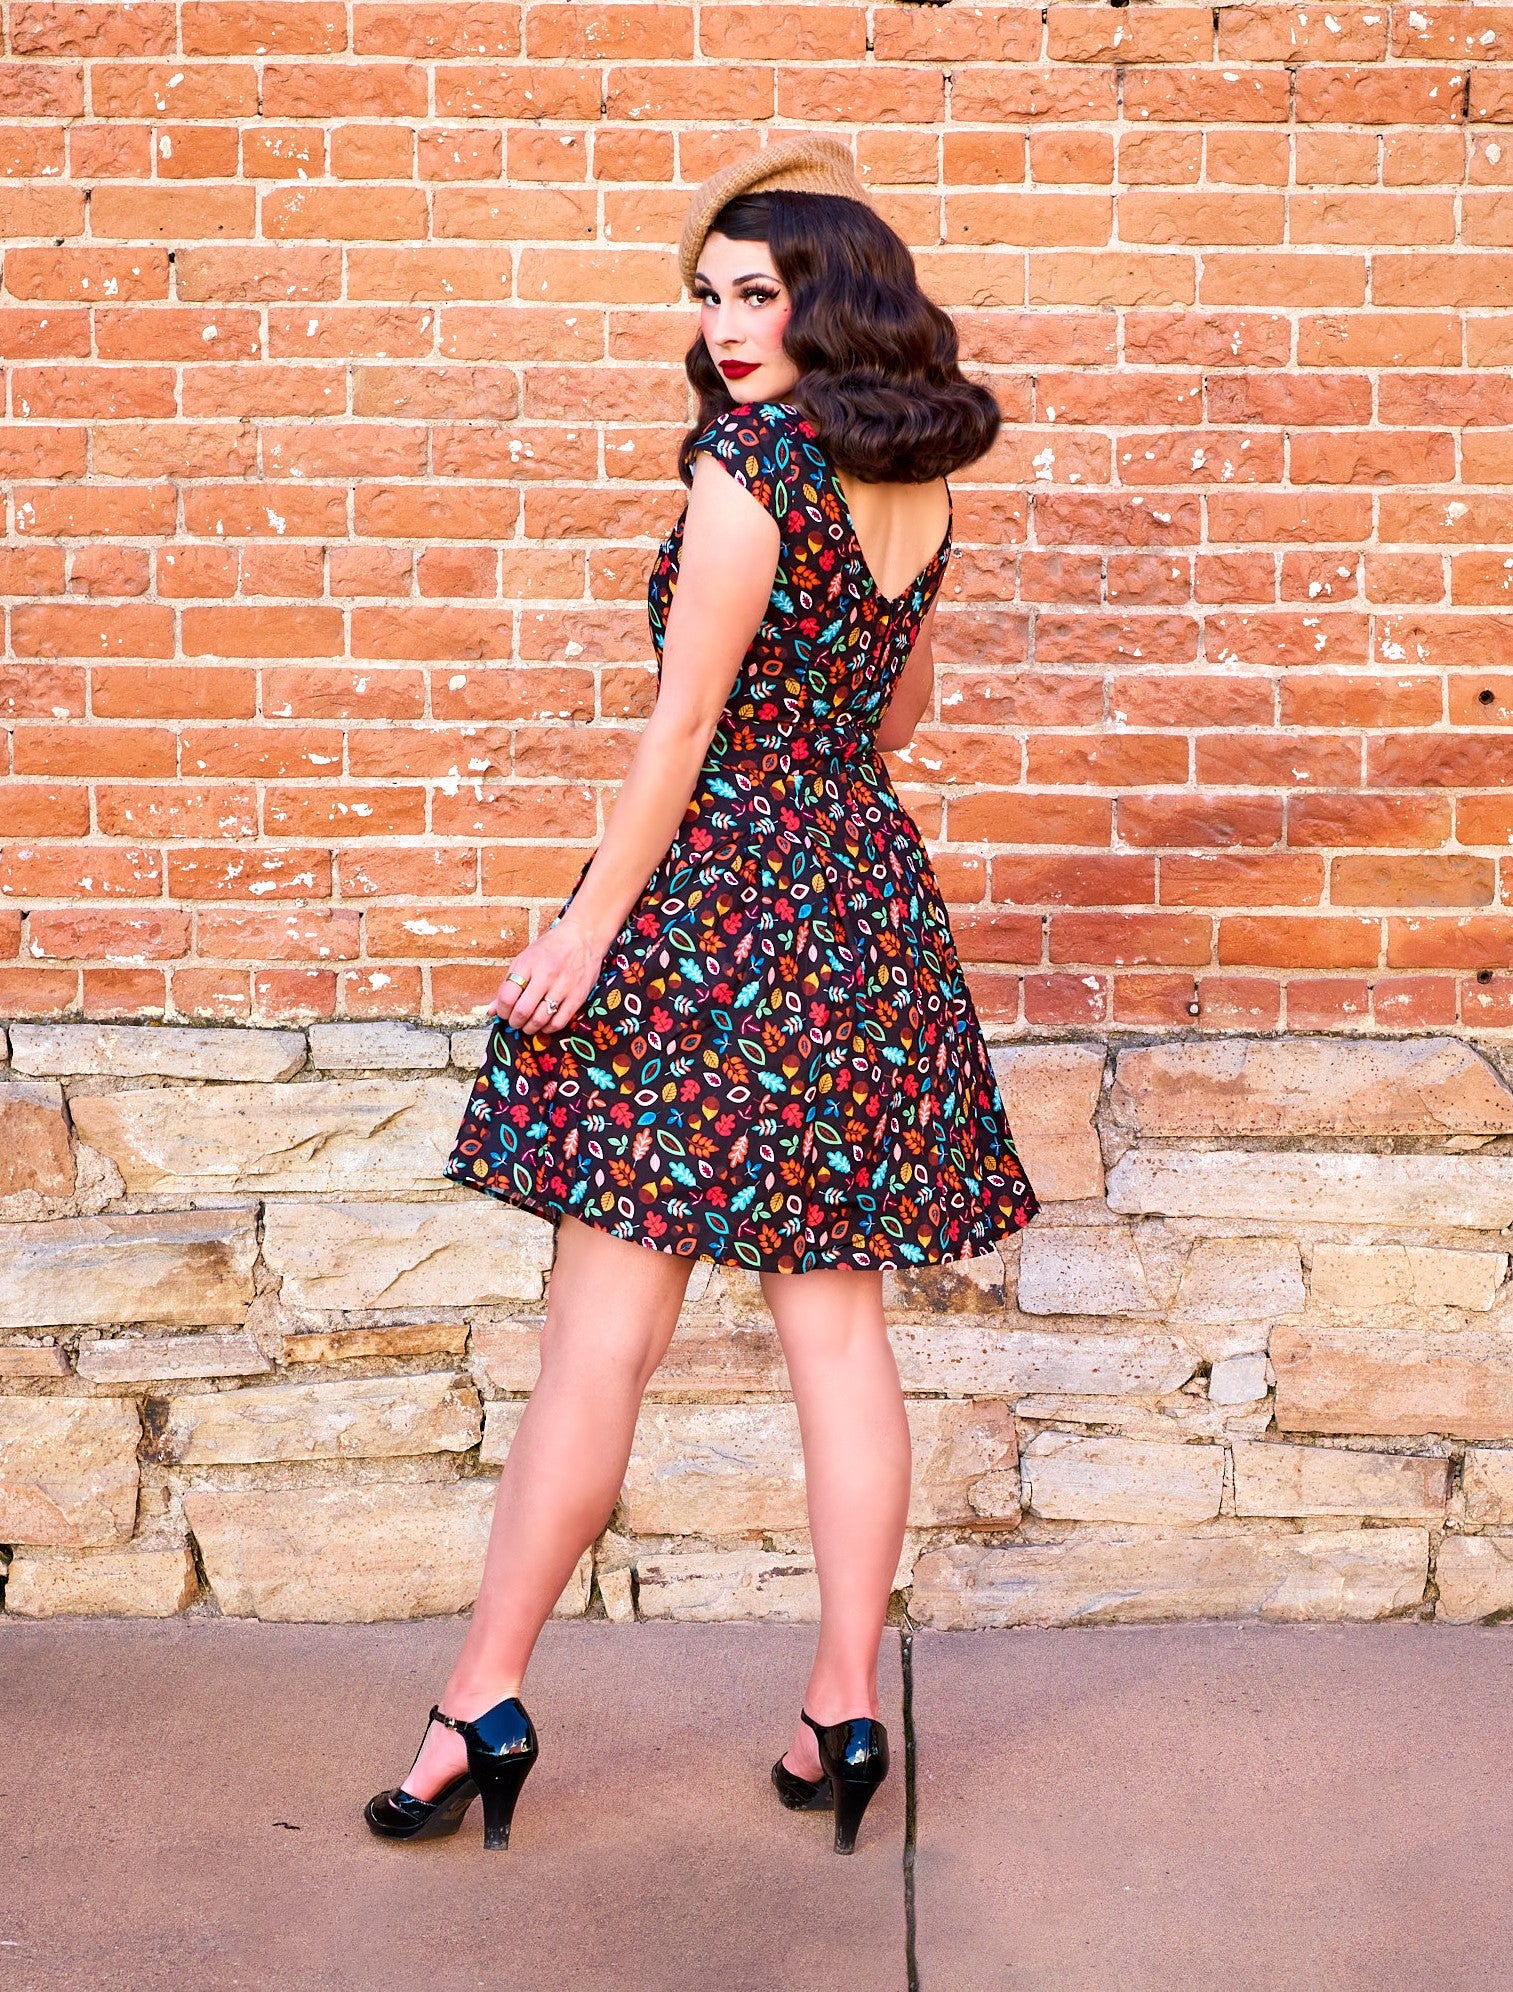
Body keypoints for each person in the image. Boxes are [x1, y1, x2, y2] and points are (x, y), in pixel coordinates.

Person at [364, 132, 1042, 1858]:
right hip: (859, 914)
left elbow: (678, 729)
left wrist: (591, 925)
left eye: (759, 290)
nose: (727, 321)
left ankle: (479, 1703)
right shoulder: (917, 479)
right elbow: (891, 727)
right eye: (711, 295)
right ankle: (840, 1708)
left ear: (833, 297)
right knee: (834, 1329)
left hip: (711, 917)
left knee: (602, 1336)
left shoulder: (748, 463)